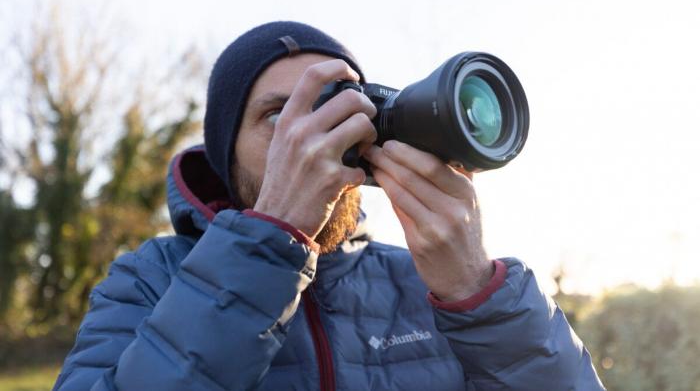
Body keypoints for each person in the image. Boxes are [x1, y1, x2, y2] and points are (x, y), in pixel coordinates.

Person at [53, 21, 605, 390]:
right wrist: (267, 240)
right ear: (226, 156)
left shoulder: (423, 283)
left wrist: (478, 295)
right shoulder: (148, 278)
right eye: (278, 115)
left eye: (340, 106)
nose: (317, 133)